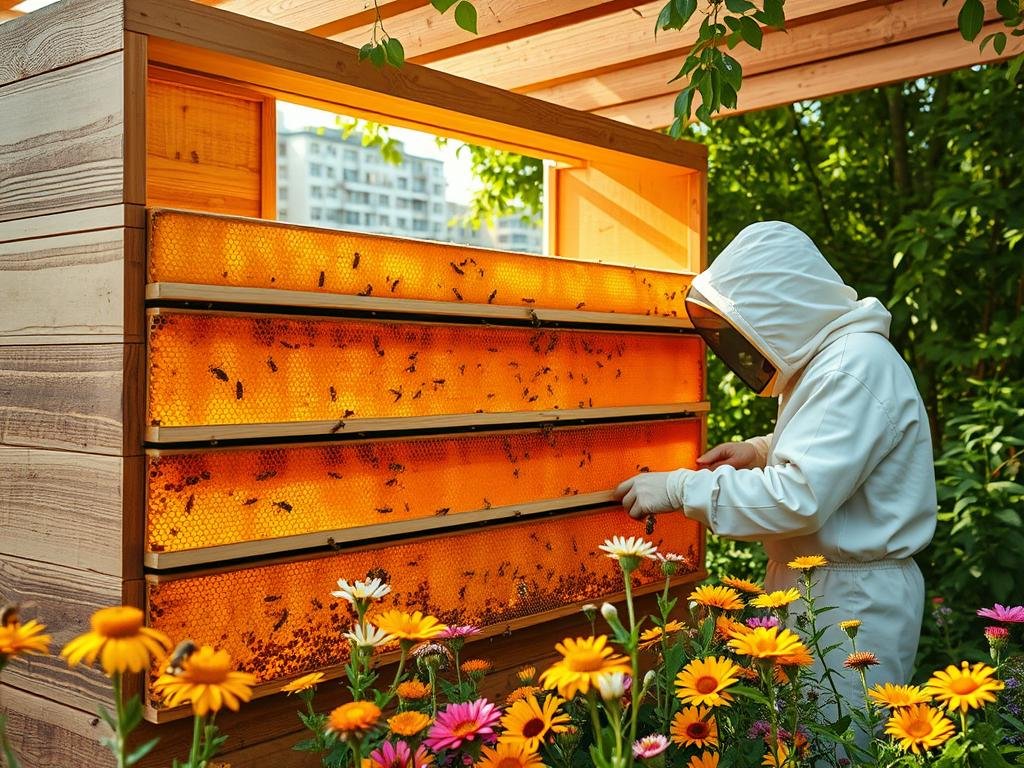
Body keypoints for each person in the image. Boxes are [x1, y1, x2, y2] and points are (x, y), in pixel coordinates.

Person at [613, 221, 937, 717]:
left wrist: (680, 489)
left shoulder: (854, 366)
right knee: (795, 740)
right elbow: (833, 449)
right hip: (821, 584)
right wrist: (759, 450)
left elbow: (799, 498)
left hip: (852, 602)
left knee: (839, 745)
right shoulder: (833, 360)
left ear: (780, 306)